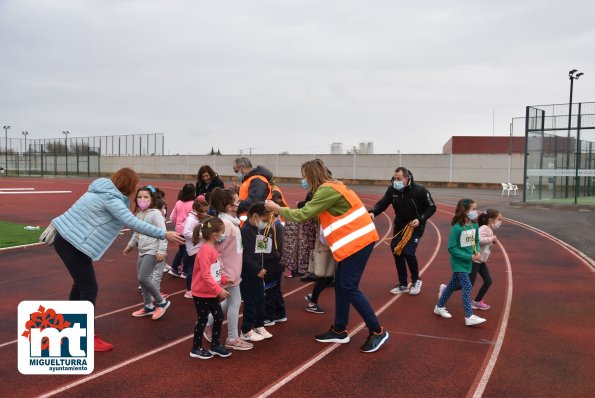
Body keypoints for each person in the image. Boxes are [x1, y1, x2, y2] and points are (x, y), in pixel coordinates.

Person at [52, 168, 184, 351]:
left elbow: (91, 219)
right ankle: (85, 336)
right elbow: (133, 223)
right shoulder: (111, 199)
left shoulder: (99, 191)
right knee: (89, 288)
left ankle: (70, 326)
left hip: (67, 240)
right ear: (129, 185)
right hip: (72, 244)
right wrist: (164, 234)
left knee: (81, 285)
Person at [265, 159, 389, 353]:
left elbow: (303, 214)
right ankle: (340, 329)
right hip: (353, 242)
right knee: (341, 285)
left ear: (312, 175)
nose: (303, 180)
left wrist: (277, 209)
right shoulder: (333, 187)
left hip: (358, 242)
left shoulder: (326, 190)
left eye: (304, 176)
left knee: (348, 286)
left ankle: (377, 330)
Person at [369, 166, 436, 296]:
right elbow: (382, 203)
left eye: (398, 179)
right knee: (396, 251)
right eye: (394, 178)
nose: (396, 181)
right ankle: (403, 284)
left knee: (408, 252)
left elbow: (432, 207)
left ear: (407, 178)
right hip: (400, 225)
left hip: (415, 225)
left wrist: (420, 219)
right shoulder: (392, 190)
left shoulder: (420, 191)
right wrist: (372, 212)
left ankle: (416, 280)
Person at [203, 188, 254, 351]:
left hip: (233, 271)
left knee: (229, 302)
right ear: (229, 206)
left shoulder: (231, 222)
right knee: (235, 303)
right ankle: (232, 337)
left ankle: (208, 323)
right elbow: (215, 251)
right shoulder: (225, 224)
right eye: (237, 201)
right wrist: (223, 273)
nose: (240, 204)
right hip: (228, 273)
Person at [434, 198, 486, 326]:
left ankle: (439, 306)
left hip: (469, 261)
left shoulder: (474, 225)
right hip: (458, 262)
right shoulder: (457, 229)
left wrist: (477, 251)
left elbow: (476, 241)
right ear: (465, 211)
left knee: (452, 286)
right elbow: (451, 248)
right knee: (467, 286)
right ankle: (469, 316)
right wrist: (467, 256)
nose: (476, 212)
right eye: (473, 209)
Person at [124, 186, 171, 320]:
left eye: (146, 197)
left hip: (153, 250)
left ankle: (162, 302)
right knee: (143, 280)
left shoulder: (156, 214)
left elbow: (163, 232)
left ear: (151, 199)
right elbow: (136, 232)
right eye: (139, 197)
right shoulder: (139, 214)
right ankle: (148, 306)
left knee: (143, 278)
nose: (142, 199)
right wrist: (130, 245)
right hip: (142, 250)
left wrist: (161, 250)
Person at [189, 217, 233, 360]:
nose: (223, 235)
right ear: (215, 234)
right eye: (222, 233)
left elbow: (215, 271)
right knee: (202, 319)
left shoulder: (212, 249)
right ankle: (196, 348)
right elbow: (205, 274)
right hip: (201, 293)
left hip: (210, 291)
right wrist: (218, 289)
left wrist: (224, 280)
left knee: (219, 316)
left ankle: (215, 345)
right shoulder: (205, 251)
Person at [239, 202, 278, 342]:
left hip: (260, 271)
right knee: (250, 301)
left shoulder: (258, 230)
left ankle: (259, 325)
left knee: (261, 299)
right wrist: (257, 268)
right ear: (255, 216)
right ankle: (246, 330)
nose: (265, 223)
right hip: (249, 273)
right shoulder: (246, 231)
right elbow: (245, 255)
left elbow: (262, 250)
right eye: (264, 220)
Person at [471, 209, 501, 310]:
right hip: (475, 260)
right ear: (491, 220)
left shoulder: (489, 229)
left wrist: (485, 258)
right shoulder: (484, 228)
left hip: (481, 260)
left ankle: (476, 301)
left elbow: (486, 248)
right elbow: (477, 240)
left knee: (488, 281)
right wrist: (491, 239)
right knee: (468, 284)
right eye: (499, 219)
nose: (500, 222)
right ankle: (446, 289)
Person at [304, 226, 336, 314]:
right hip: (322, 250)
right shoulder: (323, 222)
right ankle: (312, 304)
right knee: (322, 278)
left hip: (328, 249)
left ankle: (313, 296)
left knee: (329, 277)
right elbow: (323, 237)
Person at [182, 195, 209, 298]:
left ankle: (195, 287)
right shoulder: (191, 220)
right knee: (192, 270)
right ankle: (189, 290)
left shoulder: (196, 219)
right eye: (204, 212)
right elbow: (186, 233)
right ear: (197, 210)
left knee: (197, 269)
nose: (205, 214)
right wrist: (201, 236)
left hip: (197, 248)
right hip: (193, 249)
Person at [168, 183, 195, 278]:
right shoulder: (193, 204)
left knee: (181, 250)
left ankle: (175, 268)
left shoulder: (178, 203)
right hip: (187, 230)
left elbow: (173, 218)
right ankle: (185, 271)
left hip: (179, 230)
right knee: (187, 251)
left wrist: (178, 225)